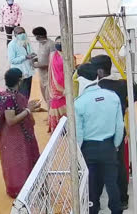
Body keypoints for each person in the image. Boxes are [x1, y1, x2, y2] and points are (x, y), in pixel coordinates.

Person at [75, 68, 124, 214]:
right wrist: (115, 145)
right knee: (112, 184)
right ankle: (116, 210)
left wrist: (78, 153)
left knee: (92, 186)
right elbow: (119, 125)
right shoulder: (113, 97)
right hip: (109, 146)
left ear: (81, 81)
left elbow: (79, 133)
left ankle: (93, 210)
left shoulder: (79, 103)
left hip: (88, 149)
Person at [91, 54, 137, 210]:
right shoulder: (123, 84)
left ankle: (94, 202)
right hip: (119, 129)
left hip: (98, 132)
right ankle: (122, 199)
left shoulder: (94, 88)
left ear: (99, 71)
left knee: (96, 167)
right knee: (119, 166)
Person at [0, 68, 40, 198]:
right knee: (17, 163)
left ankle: (27, 188)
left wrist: (29, 108)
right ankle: (19, 191)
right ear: (19, 81)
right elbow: (10, 120)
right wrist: (28, 110)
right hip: (14, 137)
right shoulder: (9, 98)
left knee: (23, 161)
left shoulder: (11, 95)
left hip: (20, 135)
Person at [8, 27, 36, 101]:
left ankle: (26, 107)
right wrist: (25, 57)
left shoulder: (27, 41)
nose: (22, 34)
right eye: (20, 33)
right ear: (15, 35)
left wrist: (33, 56)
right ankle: (23, 108)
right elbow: (12, 60)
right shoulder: (12, 45)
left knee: (28, 91)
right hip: (20, 72)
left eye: (23, 32)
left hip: (29, 71)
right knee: (22, 92)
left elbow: (30, 52)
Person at [32, 27, 55, 108]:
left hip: (49, 75)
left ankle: (52, 114)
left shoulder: (51, 44)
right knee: (45, 96)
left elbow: (53, 62)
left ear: (39, 36)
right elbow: (42, 56)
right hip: (41, 75)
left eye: (36, 36)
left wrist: (37, 65)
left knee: (49, 97)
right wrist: (35, 58)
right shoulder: (40, 43)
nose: (36, 38)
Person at [47, 36, 66, 132]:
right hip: (55, 85)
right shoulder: (52, 55)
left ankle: (66, 127)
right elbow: (50, 70)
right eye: (57, 42)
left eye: (61, 42)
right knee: (55, 103)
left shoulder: (68, 56)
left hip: (65, 84)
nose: (58, 44)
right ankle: (57, 128)